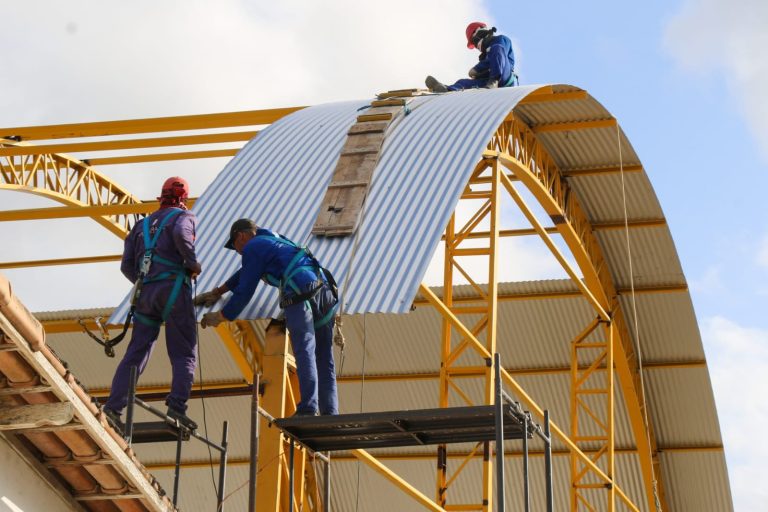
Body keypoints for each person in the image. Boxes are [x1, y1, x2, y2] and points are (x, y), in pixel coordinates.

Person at [195, 219, 339, 416]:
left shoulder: (252, 247)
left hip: (299, 291)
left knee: (304, 348)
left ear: (241, 236)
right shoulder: (273, 240)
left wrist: (222, 315)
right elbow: (244, 273)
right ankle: (330, 412)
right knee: (324, 357)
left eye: (236, 247)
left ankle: (308, 407)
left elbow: (245, 291)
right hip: (323, 290)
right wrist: (219, 291)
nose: (238, 253)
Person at [103, 177, 202, 431]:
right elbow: (181, 235)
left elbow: (126, 265)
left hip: (146, 293)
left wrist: (144, 281)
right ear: (184, 199)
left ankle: (113, 409)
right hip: (173, 290)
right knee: (184, 351)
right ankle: (177, 407)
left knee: (136, 352)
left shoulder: (141, 226)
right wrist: (192, 264)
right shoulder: (185, 217)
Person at [425, 22, 517, 93]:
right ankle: (447, 90)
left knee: (496, 48)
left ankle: (494, 81)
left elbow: (499, 54)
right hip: (488, 83)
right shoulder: (484, 56)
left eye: (474, 42)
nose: (476, 46)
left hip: (505, 78)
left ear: (478, 32)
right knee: (462, 82)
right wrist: (477, 75)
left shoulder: (502, 39)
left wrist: (477, 69)